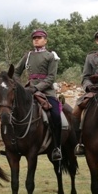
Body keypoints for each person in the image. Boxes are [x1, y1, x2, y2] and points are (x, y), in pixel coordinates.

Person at [14, 29, 63, 161]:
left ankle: (57, 147)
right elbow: (16, 72)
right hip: (28, 90)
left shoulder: (51, 56)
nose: (36, 39)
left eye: (39, 38)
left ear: (45, 40)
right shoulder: (28, 55)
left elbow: (51, 77)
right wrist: (20, 87)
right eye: (34, 38)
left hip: (46, 91)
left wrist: (37, 88)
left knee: (56, 115)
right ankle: (13, 144)